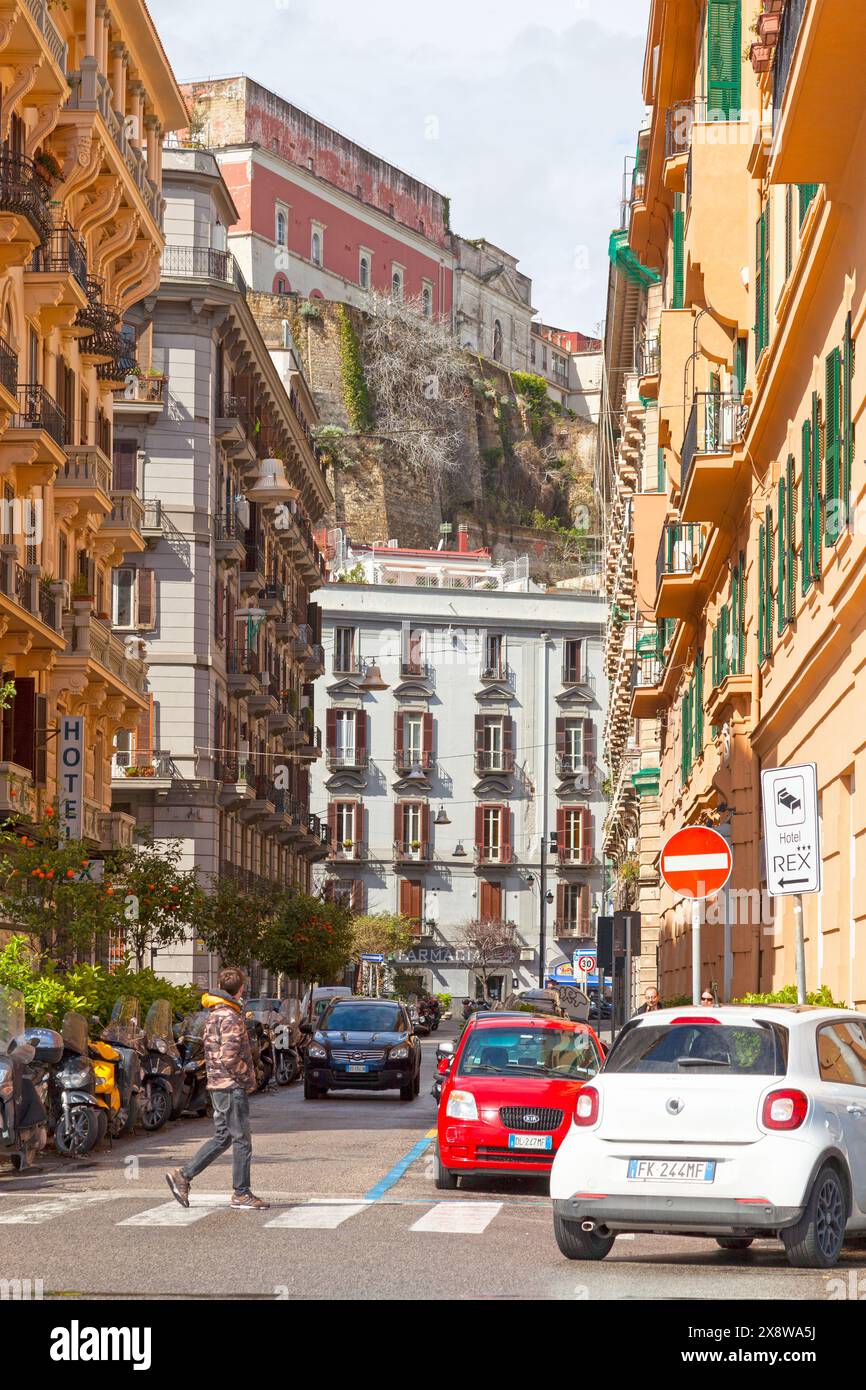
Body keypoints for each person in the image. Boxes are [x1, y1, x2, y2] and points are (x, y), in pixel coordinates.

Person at [166, 967, 269, 1211]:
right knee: (241, 1139)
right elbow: (230, 1057)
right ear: (241, 989)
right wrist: (248, 1077)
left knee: (224, 1137)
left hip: (216, 1083)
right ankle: (241, 1193)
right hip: (231, 1085)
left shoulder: (212, 1014)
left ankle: (184, 1175)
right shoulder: (231, 1017)